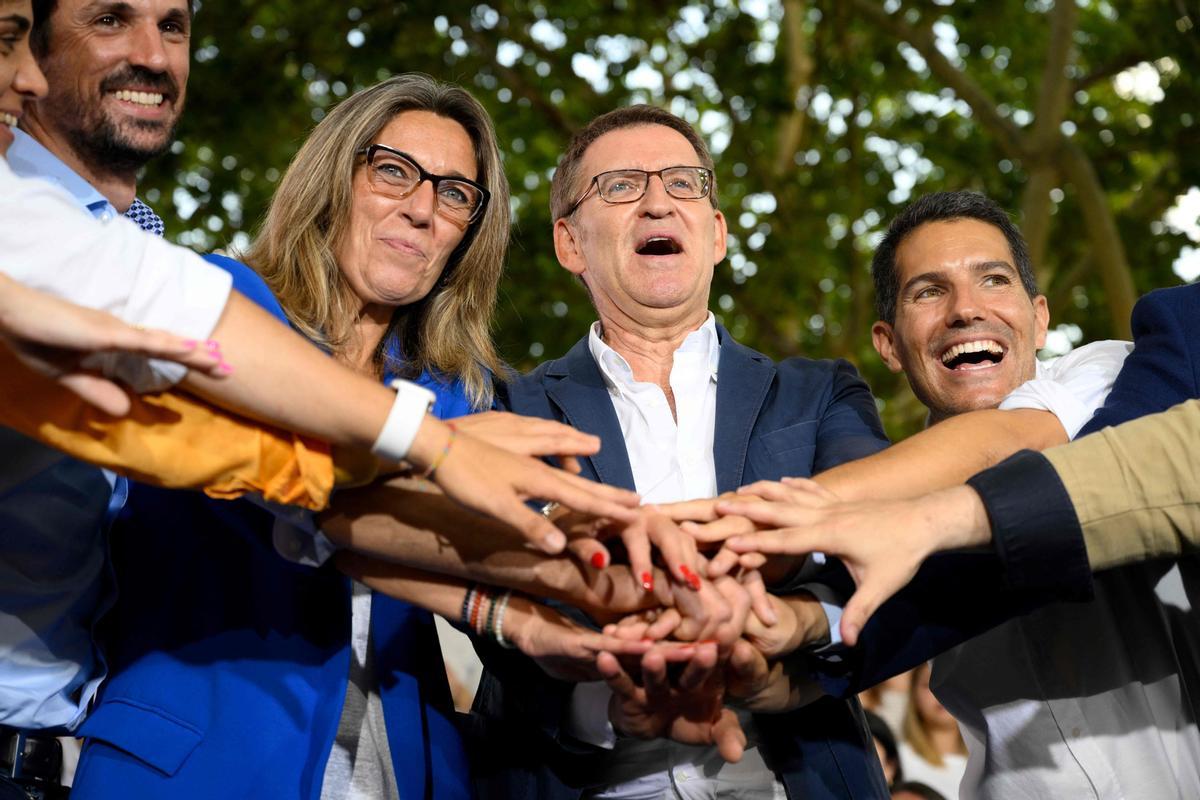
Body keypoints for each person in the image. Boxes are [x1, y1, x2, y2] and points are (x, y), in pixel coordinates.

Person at [57, 74, 648, 799]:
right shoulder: (217, 302)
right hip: (193, 763)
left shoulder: (459, 394)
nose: (423, 208)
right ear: (335, 178)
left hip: (402, 770)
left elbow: (508, 548)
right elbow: (291, 494)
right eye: (394, 171)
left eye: (456, 194)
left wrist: (606, 548)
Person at [714, 193, 1199, 798]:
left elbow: (1007, 442)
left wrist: (733, 524)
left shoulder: (1114, 376)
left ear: (1040, 317)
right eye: (928, 291)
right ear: (888, 344)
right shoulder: (878, 527)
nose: (966, 310)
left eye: (993, 279)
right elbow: (835, 650)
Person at [470, 104, 892, 800]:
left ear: (718, 234)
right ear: (570, 243)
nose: (658, 201)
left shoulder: (819, 392)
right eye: (621, 186)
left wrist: (769, 631)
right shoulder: (501, 407)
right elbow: (487, 590)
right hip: (571, 773)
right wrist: (611, 685)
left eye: (684, 183)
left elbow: (876, 545)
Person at [894, 663, 965, 800]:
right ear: (913, 693)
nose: (941, 691)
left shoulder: (987, 759)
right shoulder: (897, 761)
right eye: (928, 684)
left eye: (951, 682)